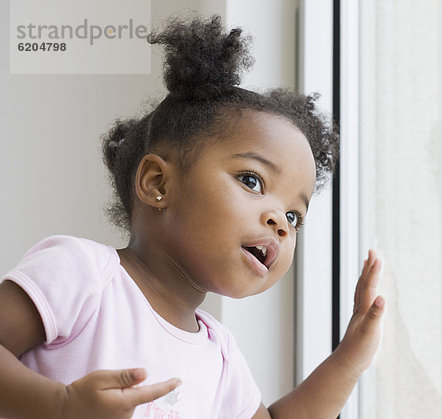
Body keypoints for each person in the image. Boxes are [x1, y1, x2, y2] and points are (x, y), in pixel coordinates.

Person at [0, 15, 385, 419]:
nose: (281, 223)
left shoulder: (220, 356)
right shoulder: (84, 275)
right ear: (156, 182)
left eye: (295, 215)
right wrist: (59, 406)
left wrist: (348, 360)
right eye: (252, 180)